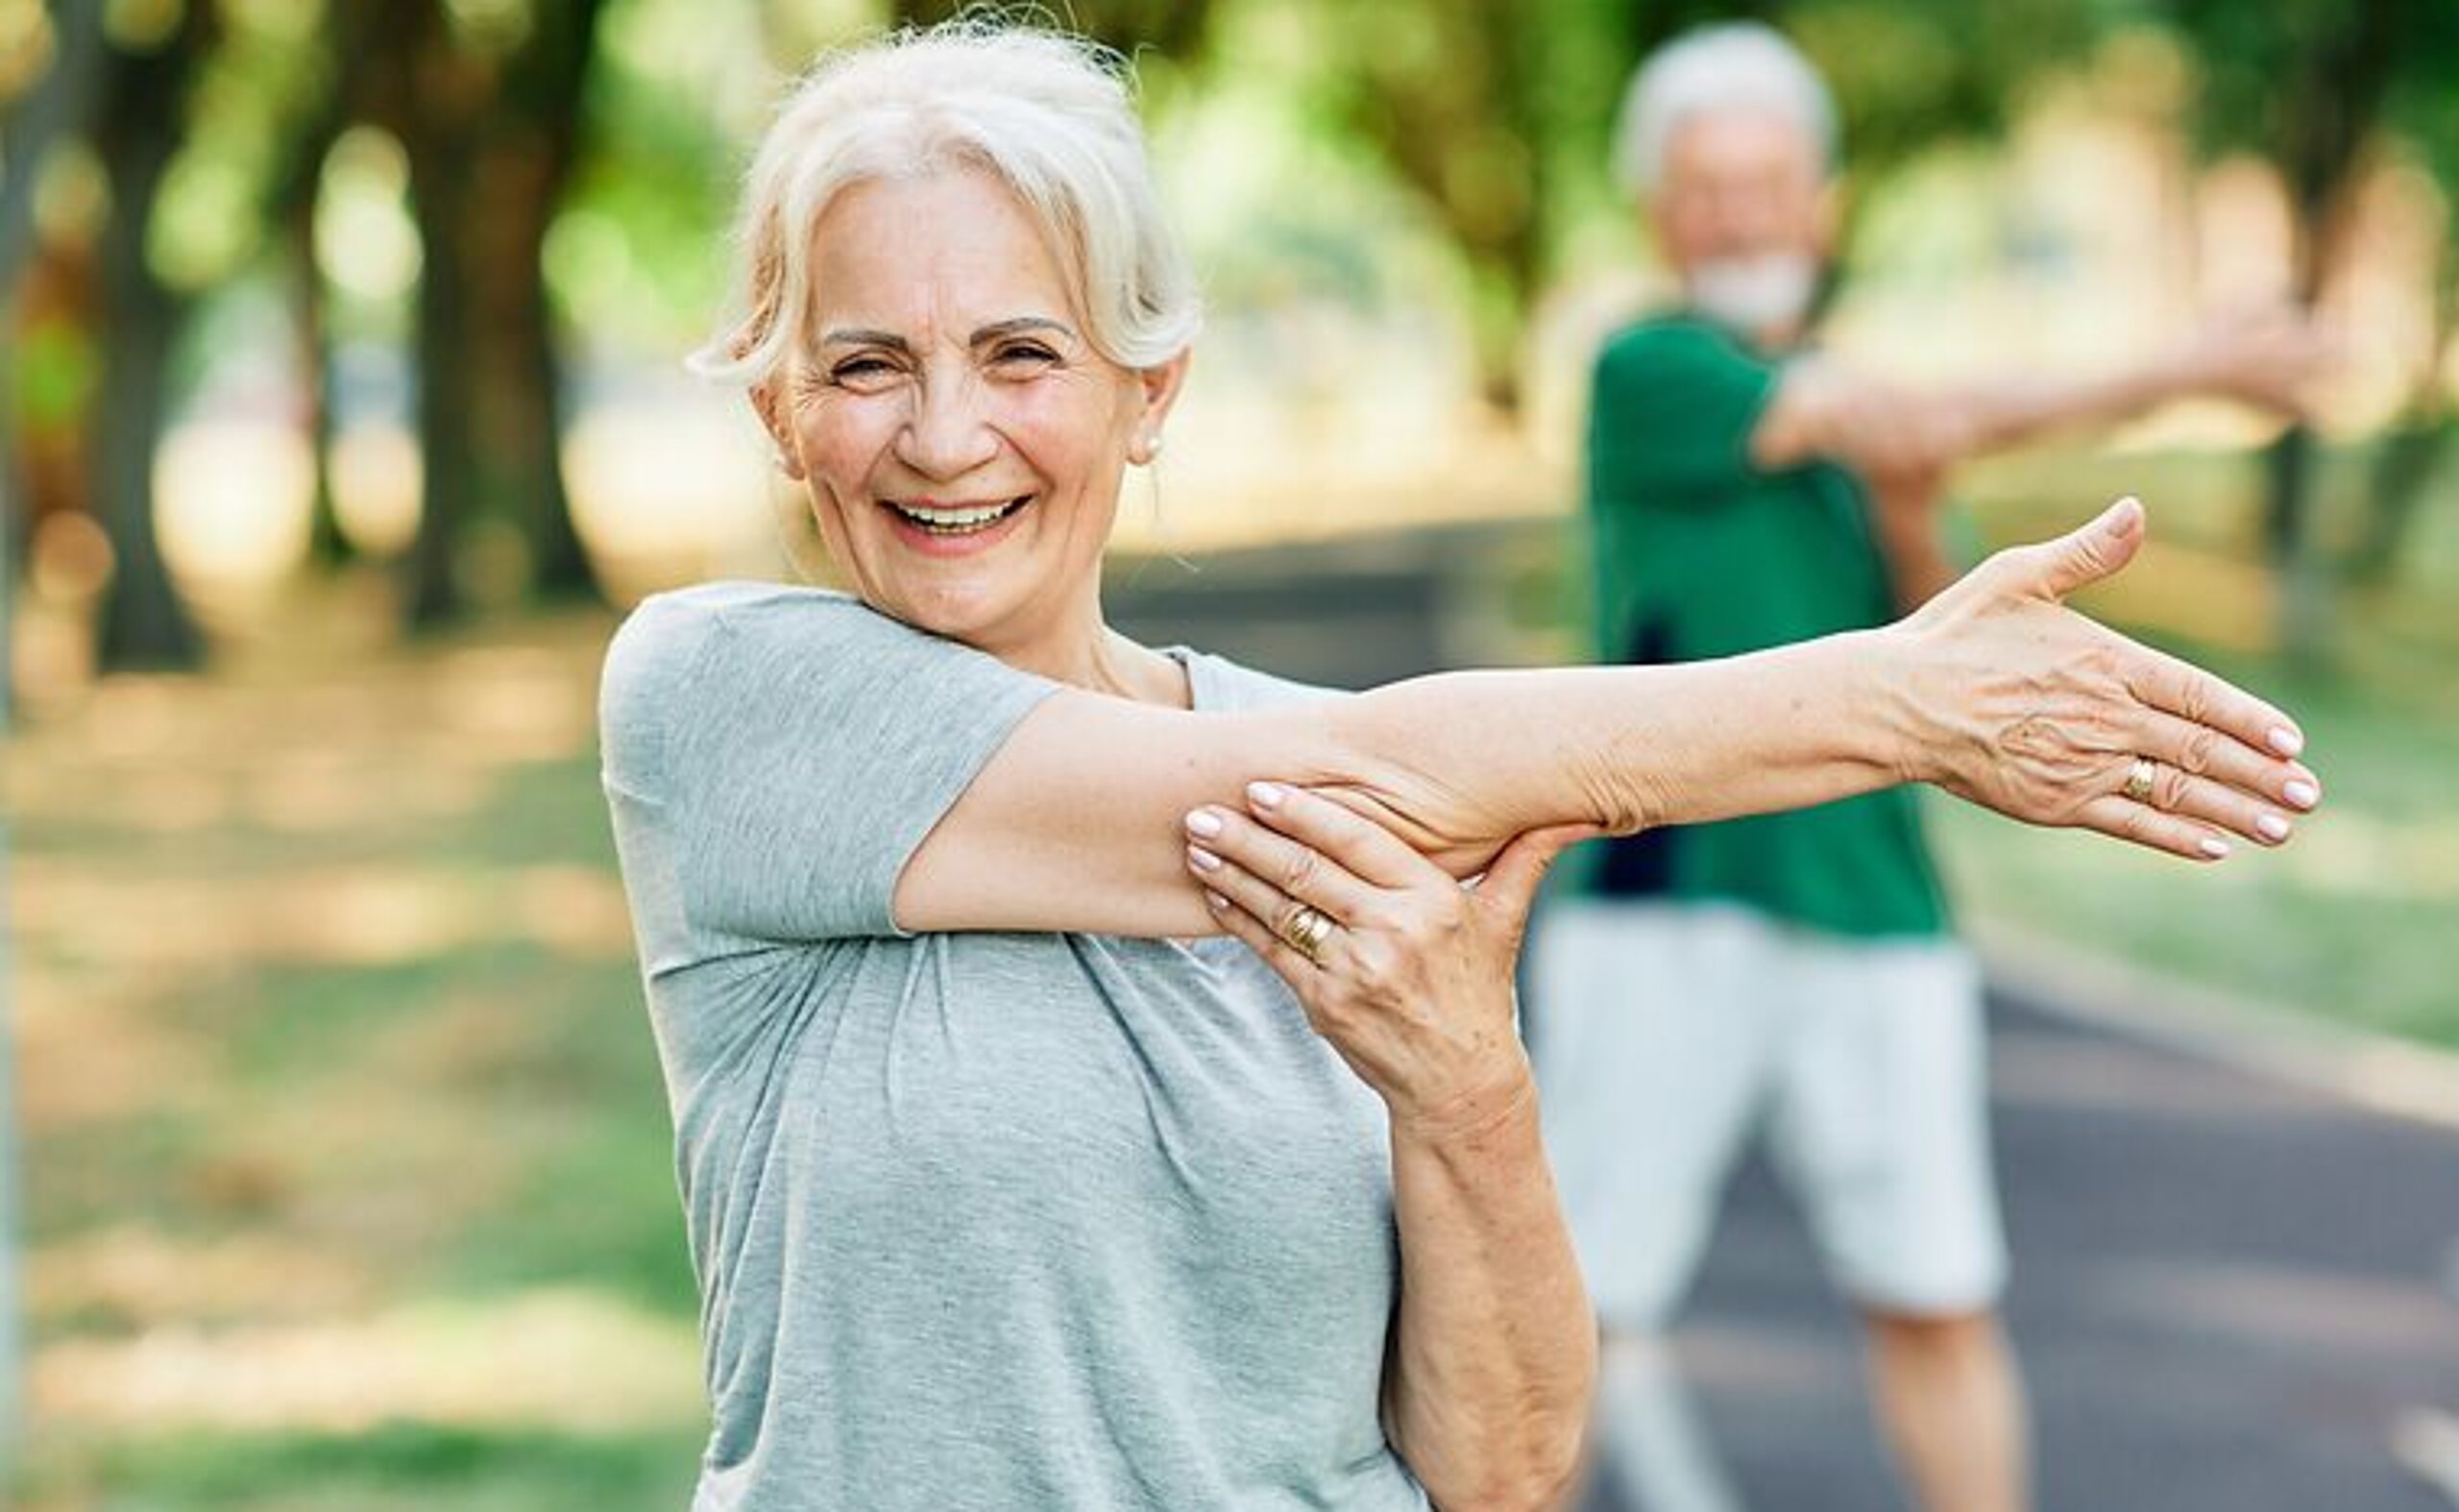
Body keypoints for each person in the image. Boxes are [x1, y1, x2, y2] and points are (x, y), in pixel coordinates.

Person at [596, 21, 2320, 1512]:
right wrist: (1903, 700)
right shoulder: (725, 700)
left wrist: (1469, 1093)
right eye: (866, 364)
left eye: (1020, 351)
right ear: (779, 412)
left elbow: (1498, 1472)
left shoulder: (1354, 785)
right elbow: (1368, 772)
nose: (943, 434)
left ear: (1150, 389)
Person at [1528, 23, 2332, 1512]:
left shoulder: (1869, 417)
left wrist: (1908, 499)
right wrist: (2186, 369)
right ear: (1657, 214)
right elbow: (1890, 411)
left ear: (1822, 203)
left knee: (1937, 1298)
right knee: (1573, 1314)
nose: (1742, 218)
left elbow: (1938, 621)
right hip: (1665, 903)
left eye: (1770, 185)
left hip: (1876, 904)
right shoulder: (1652, 371)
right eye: (1707, 190)